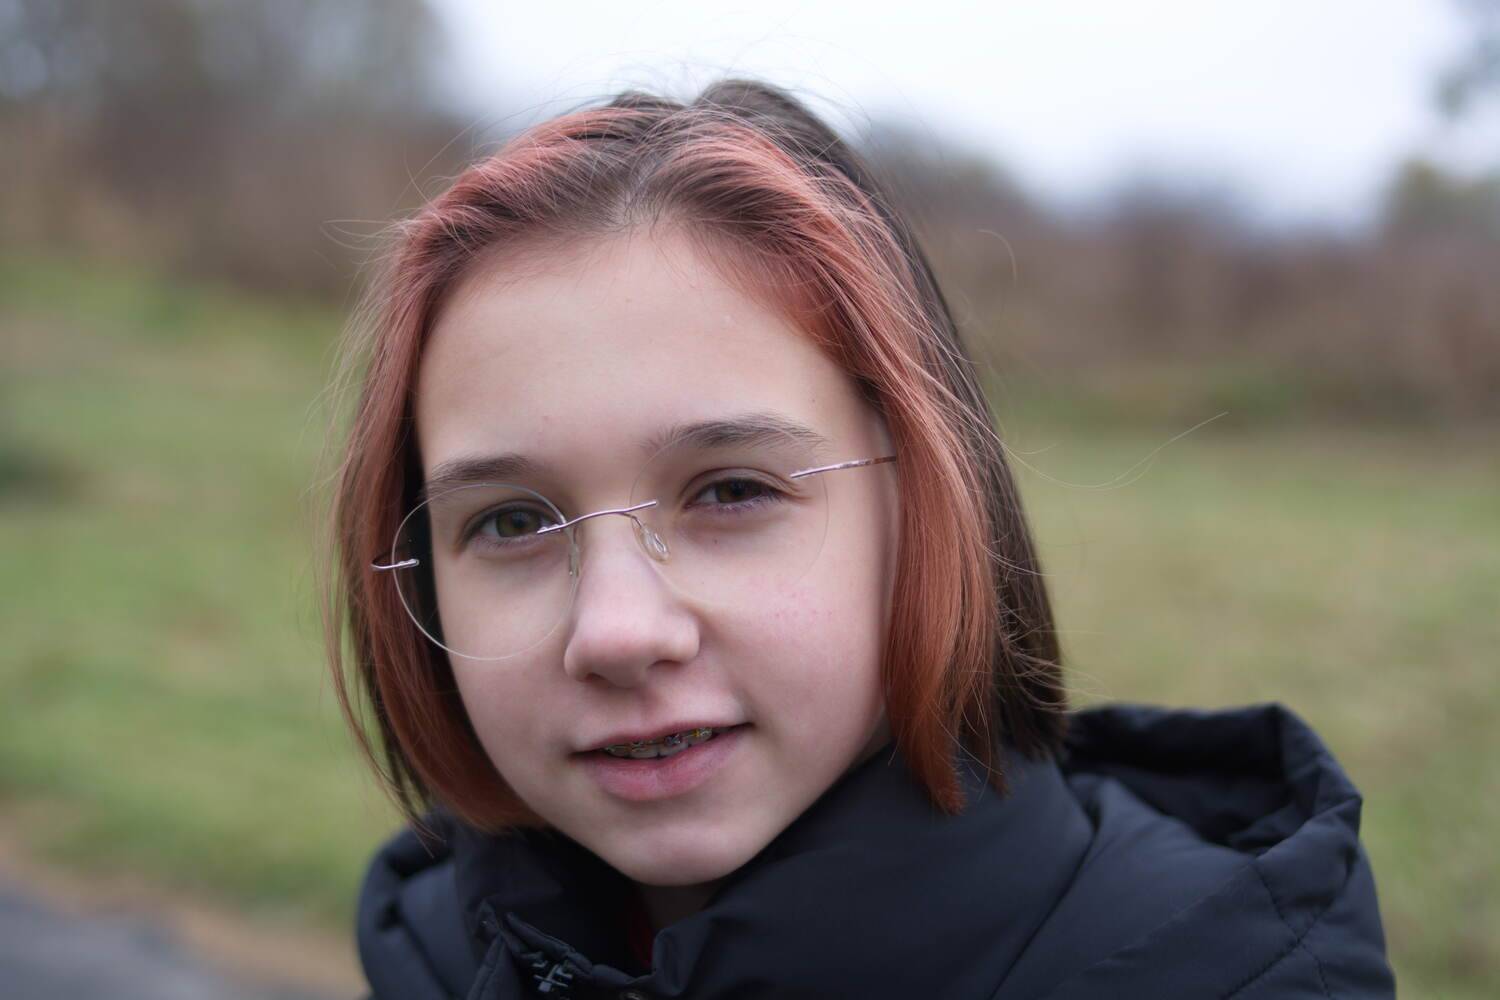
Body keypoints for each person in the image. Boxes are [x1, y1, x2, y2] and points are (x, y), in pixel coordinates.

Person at [321, 78, 1395, 999]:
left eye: (729, 491)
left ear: (925, 499)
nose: (615, 631)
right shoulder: (435, 953)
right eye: (512, 521)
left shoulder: (1225, 973)